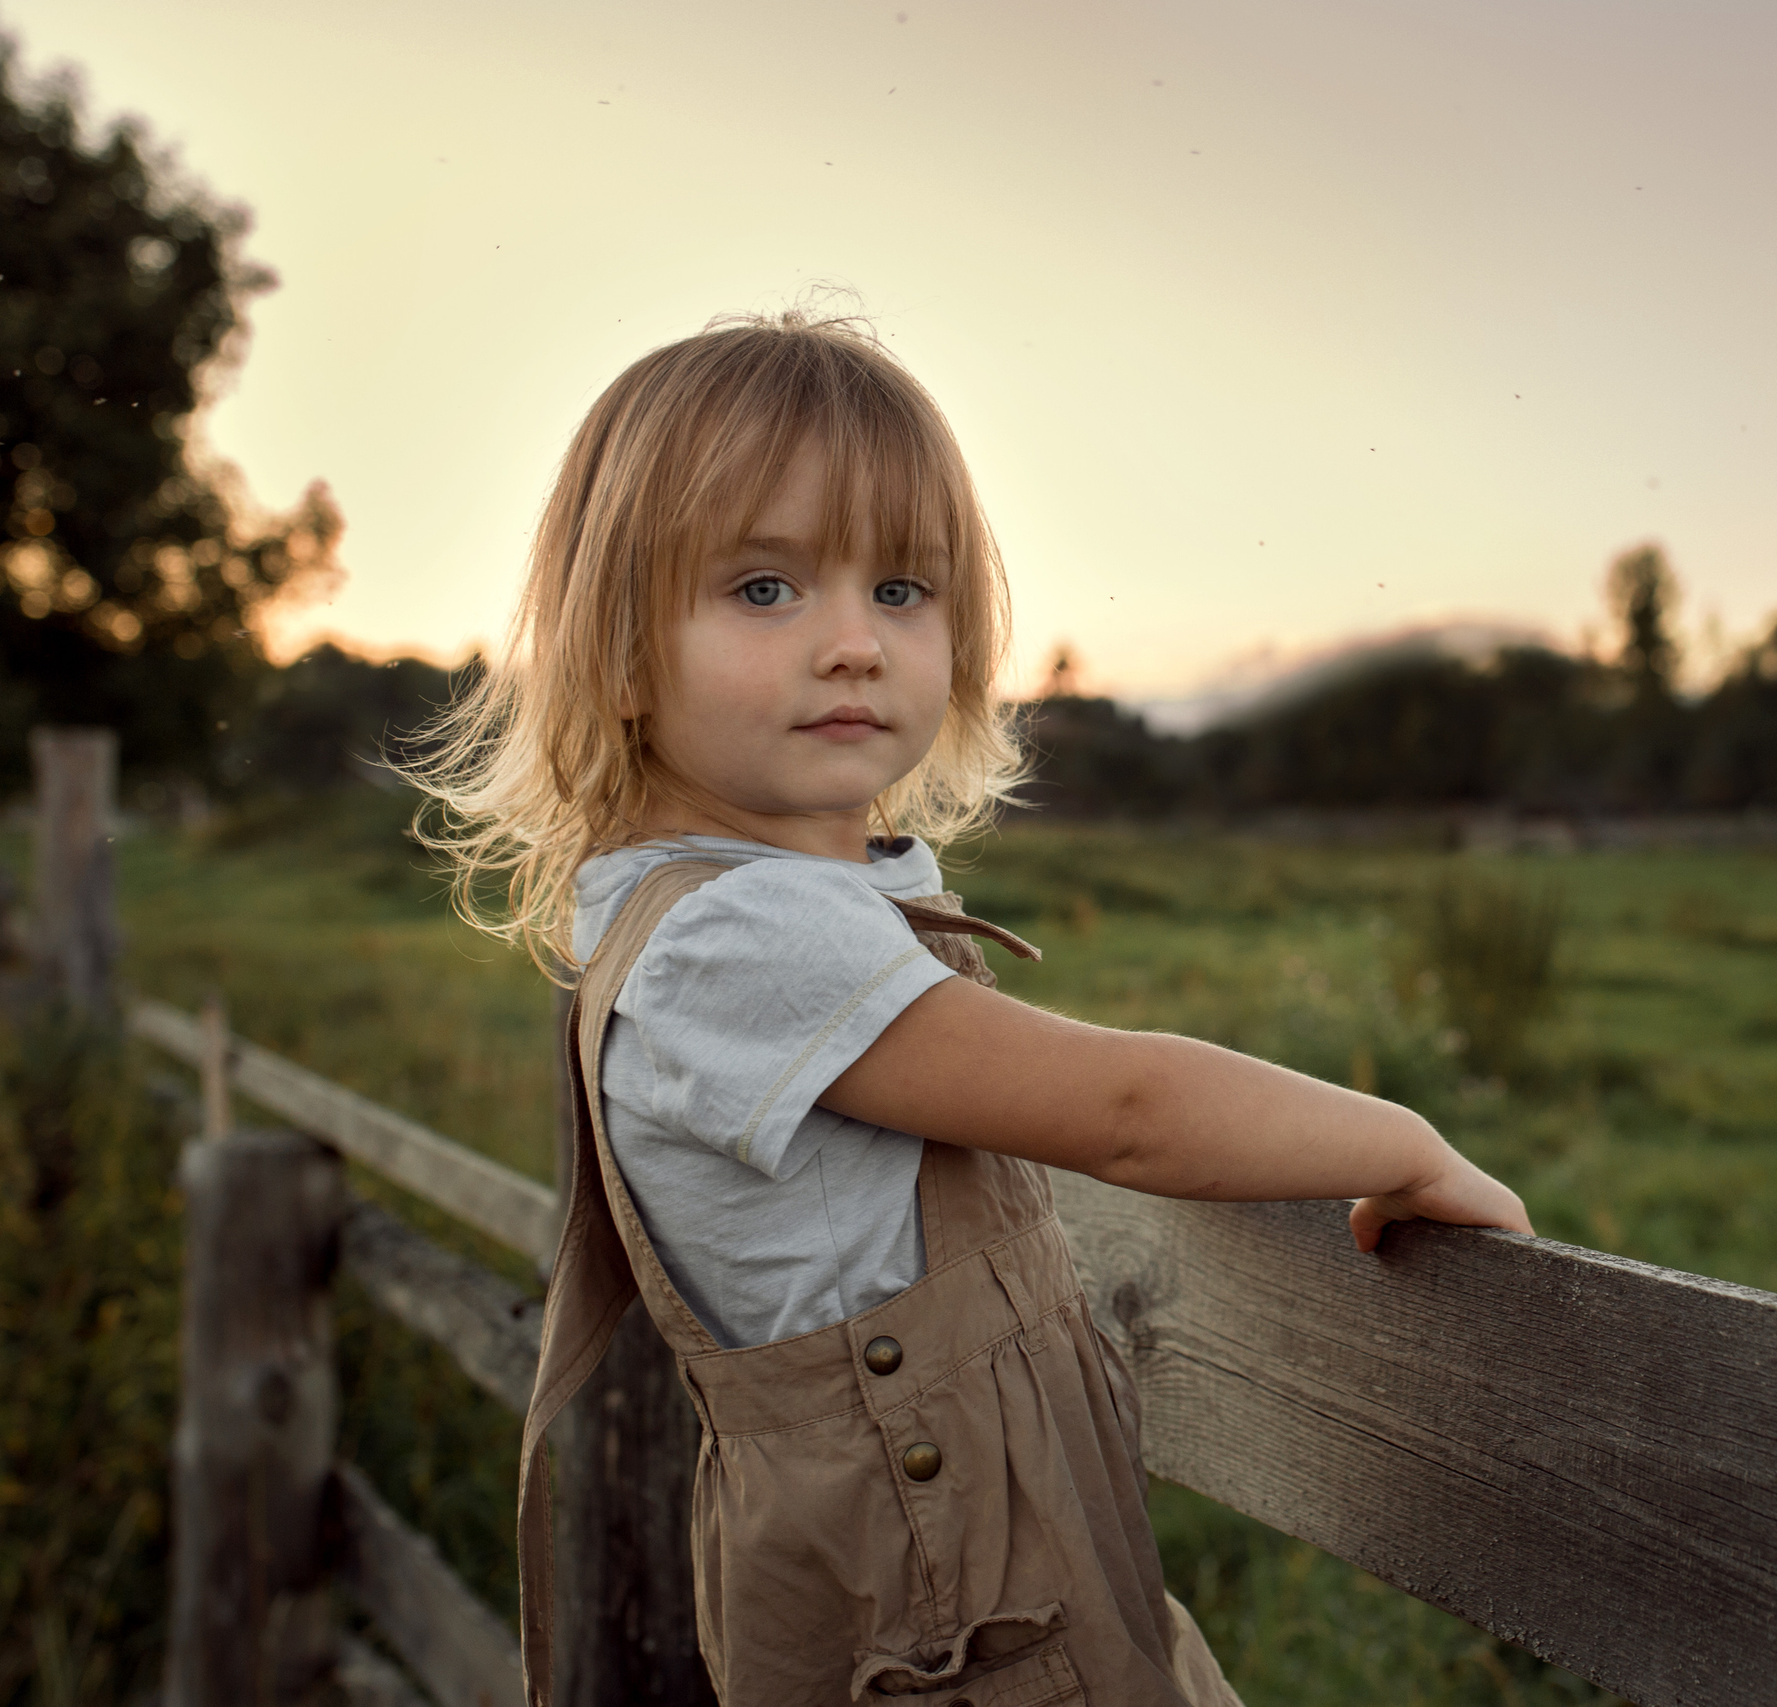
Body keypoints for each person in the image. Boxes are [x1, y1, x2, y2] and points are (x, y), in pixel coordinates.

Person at [410, 310, 1532, 1707]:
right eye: (764, 589)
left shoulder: (744, 906)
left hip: (988, 1574)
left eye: (901, 589)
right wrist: (1404, 1144)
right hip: (946, 1620)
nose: (852, 644)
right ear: (621, 651)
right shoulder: (737, 937)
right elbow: (1126, 1114)